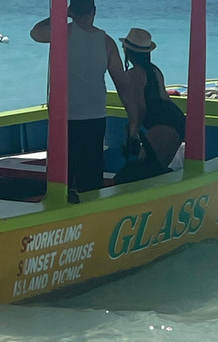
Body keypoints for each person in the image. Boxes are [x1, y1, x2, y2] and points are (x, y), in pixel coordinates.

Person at [31, 0, 128, 197]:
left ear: (71, 11)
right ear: (94, 12)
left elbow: (36, 33)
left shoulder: (62, 33)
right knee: (91, 178)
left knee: (62, 176)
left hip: (65, 117)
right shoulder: (107, 42)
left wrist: (60, 15)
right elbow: (122, 83)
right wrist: (133, 117)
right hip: (95, 116)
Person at [115, 28, 186, 185]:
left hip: (162, 126)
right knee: (155, 172)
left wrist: (132, 135)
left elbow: (139, 109)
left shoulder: (133, 75)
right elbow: (164, 99)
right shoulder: (154, 70)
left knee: (144, 172)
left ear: (128, 51)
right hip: (176, 120)